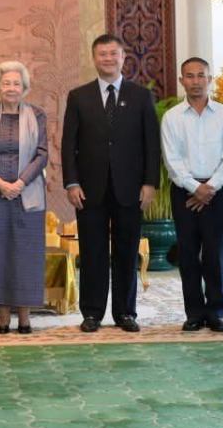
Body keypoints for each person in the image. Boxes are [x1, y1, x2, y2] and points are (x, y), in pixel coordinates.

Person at [61, 33, 161, 333]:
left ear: (123, 58)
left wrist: (150, 183)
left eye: (113, 54)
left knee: (126, 251)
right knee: (92, 252)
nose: (108, 59)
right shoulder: (78, 96)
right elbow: (68, 144)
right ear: (94, 59)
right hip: (89, 189)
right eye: (102, 54)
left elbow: (151, 143)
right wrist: (71, 182)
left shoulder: (140, 96)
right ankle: (92, 313)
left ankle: (125, 312)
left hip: (131, 188)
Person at [161, 57, 223, 333]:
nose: (195, 81)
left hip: (217, 192)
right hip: (184, 192)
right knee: (189, 254)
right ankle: (194, 312)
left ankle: (216, 311)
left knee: (215, 254)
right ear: (182, 81)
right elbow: (172, 160)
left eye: (201, 75)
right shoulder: (172, 118)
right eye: (190, 76)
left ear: (210, 79)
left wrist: (209, 188)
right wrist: (195, 188)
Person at [0, 61, 48, 334]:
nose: (11, 88)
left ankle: (25, 317)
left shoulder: (37, 115)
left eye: (16, 83)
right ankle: (3, 316)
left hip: (28, 195)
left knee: (26, 255)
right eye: (6, 83)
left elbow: (42, 154)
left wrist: (19, 183)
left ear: (25, 87)